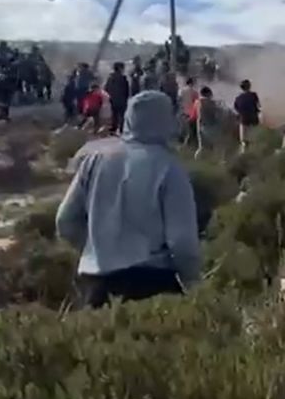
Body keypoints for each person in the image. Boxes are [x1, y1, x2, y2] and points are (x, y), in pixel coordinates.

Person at [55, 90, 201, 307]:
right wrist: (194, 285)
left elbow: (65, 221)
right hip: (151, 284)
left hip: (96, 284)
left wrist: (97, 249)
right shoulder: (169, 168)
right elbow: (182, 242)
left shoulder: (95, 161)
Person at [232, 79, 261, 150]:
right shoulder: (253, 95)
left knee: (244, 142)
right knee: (255, 140)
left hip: (243, 120)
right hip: (254, 120)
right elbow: (259, 106)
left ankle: (244, 153)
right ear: (249, 86)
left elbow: (236, 109)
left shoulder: (238, 98)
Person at [105, 62, 131, 135]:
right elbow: (126, 89)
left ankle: (114, 128)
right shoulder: (123, 78)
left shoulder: (110, 78)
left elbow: (106, 88)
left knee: (114, 114)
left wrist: (110, 96)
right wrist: (126, 97)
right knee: (122, 115)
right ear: (120, 68)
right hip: (121, 99)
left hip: (112, 99)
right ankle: (121, 129)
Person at [177, 78, 199, 143]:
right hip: (191, 112)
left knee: (182, 127)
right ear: (192, 83)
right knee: (190, 128)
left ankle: (181, 140)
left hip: (183, 111)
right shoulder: (194, 92)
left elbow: (179, 100)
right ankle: (190, 141)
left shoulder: (181, 90)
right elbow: (196, 102)